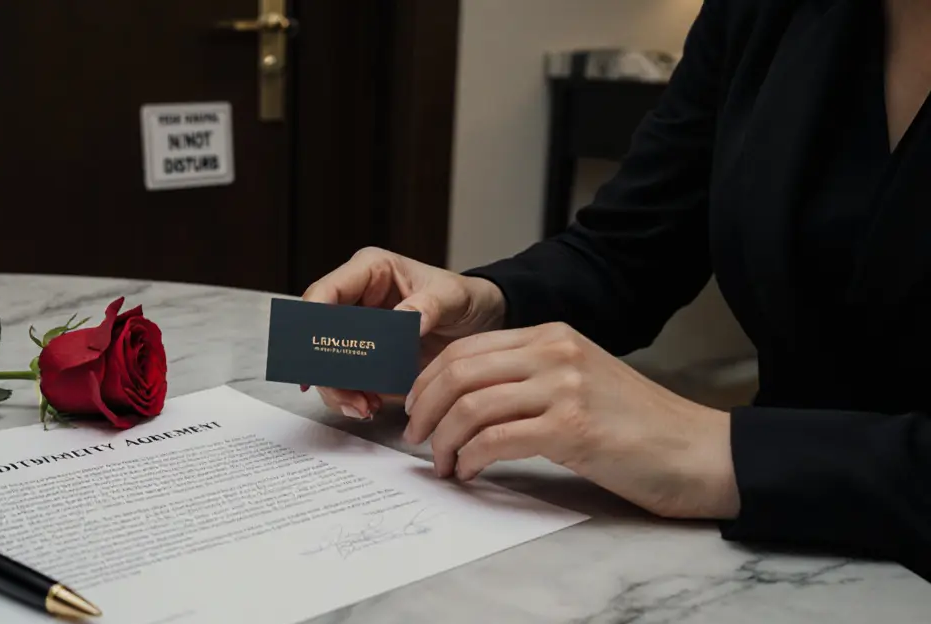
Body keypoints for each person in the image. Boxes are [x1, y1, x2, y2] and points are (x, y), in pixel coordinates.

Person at [302, 0, 931, 580]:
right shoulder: (764, 12)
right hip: (774, 563)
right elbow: (630, 249)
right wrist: (483, 307)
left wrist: (713, 449)